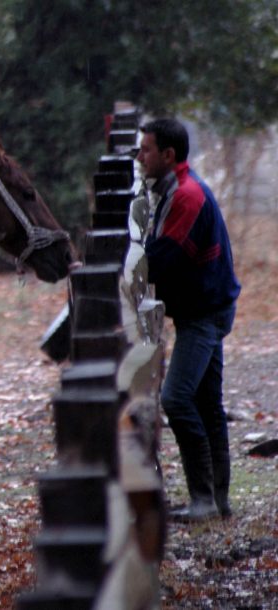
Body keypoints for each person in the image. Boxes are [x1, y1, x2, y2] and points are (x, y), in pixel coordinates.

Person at [136, 118, 241, 522]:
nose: (140, 157)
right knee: (207, 405)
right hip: (205, 308)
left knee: (176, 398)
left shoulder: (187, 195)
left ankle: (202, 499)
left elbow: (164, 258)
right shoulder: (172, 189)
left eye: (146, 150)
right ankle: (217, 500)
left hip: (205, 313)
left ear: (168, 155)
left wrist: (126, 269)